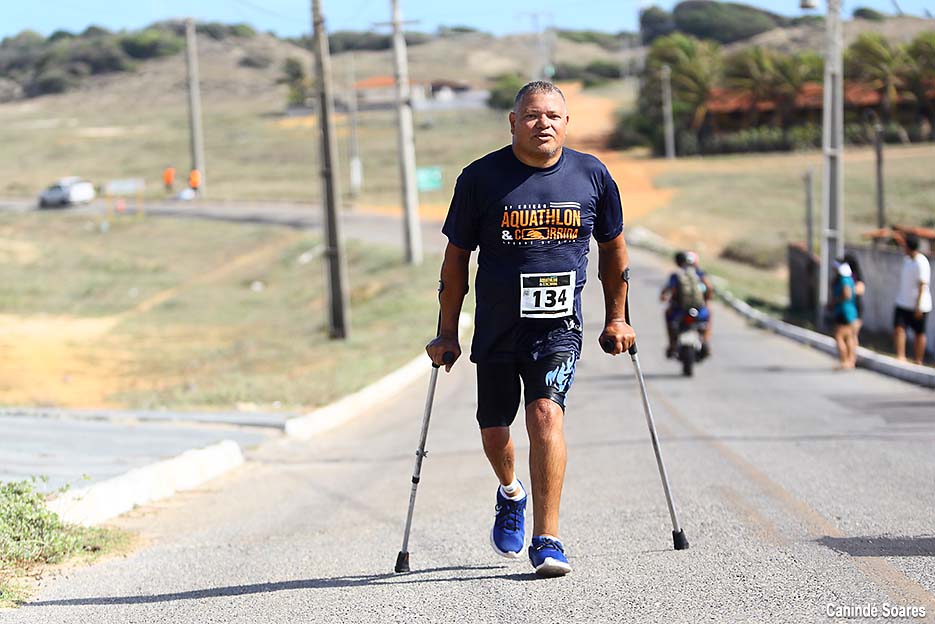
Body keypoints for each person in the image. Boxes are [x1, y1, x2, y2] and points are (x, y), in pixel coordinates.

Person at [425, 81, 635, 578]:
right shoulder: (480, 178)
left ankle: (548, 537)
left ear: (566, 123)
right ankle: (510, 492)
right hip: (498, 326)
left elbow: (614, 251)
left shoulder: (593, 175)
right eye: (533, 115)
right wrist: (447, 332)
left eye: (554, 116)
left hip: (557, 329)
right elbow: (456, 260)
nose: (544, 123)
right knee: (495, 431)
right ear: (513, 121)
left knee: (545, 415)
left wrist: (617, 316)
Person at [659, 251, 710, 359]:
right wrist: (706, 300)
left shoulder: (676, 275)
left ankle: (672, 344)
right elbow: (709, 288)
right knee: (708, 317)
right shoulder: (699, 274)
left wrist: (664, 297)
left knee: (668, 315)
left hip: (679, 309)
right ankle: (705, 341)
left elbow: (668, 290)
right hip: (698, 309)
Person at [893, 233, 932, 364]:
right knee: (899, 328)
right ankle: (901, 357)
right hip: (903, 302)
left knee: (919, 333)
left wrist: (918, 306)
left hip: (919, 305)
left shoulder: (922, 262)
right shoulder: (907, 260)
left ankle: (918, 360)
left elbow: (922, 285)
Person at [830, 259, 858, 370]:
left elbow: (847, 295)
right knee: (849, 337)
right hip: (849, 311)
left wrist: (835, 301)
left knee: (839, 337)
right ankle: (850, 361)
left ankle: (845, 360)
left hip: (844, 311)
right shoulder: (848, 279)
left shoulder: (844, 280)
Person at [843, 252, 866, 341]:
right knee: (848, 336)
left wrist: (847, 291)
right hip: (847, 306)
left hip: (855, 306)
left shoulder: (857, 275)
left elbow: (861, 289)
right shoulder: (845, 275)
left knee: (852, 335)